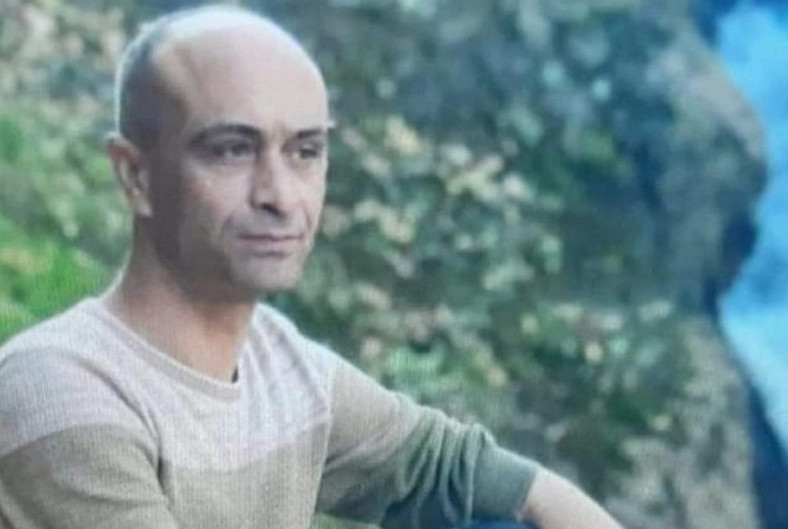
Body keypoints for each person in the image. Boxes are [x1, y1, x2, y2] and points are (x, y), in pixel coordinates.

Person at [0, 5, 625, 529]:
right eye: (232, 149)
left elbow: (469, 475)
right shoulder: (59, 396)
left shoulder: (278, 363)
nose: (280, 195)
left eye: (305, 151)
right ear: (136, 176)